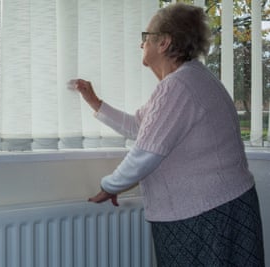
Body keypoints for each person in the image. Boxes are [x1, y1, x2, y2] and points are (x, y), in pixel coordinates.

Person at [70, 3, 265, 266]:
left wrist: (109, 185)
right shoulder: (192, 79)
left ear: (163, 43)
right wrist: (95, 102)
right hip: (225, 207)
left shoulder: (178, 87)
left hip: (206, 216)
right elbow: (142, 128)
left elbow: (146, 153)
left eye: (145, 37)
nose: (141, 45)